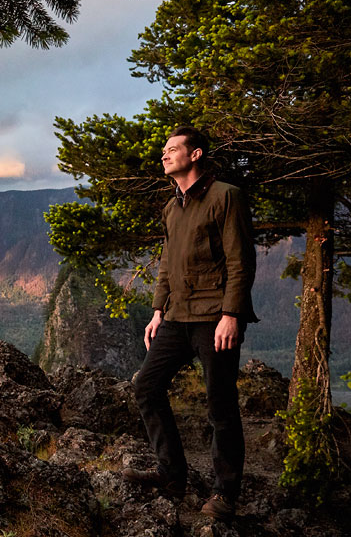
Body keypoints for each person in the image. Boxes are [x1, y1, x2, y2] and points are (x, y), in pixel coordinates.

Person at [122, 126, 257, 521]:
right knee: (146, 385)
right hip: (176, 316)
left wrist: (231, 315)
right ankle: (171, 474)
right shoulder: (171, 207)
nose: (164, 155)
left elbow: (240, 261)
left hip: (215, 318)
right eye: (163, 150)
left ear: (195, 154)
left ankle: (225, 494)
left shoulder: (226, 196)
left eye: (172, 149)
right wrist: (158, 310)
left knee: (221, 405)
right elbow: (167, 264)